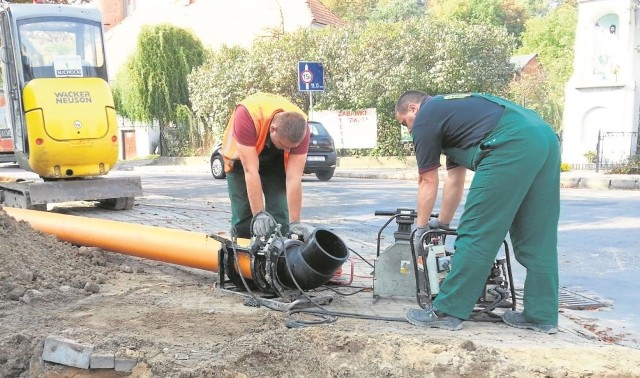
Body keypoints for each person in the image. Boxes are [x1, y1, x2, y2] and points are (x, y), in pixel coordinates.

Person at [395, 91, 560, 334]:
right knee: (537, 235)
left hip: (509, 142)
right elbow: (455, 179)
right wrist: (441, 223)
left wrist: (420, 229)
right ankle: (542, 315)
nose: (408, 130)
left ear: (412, 109)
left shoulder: (426, 117)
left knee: (477, 232)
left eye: (404, 123)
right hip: (544, 138)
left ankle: (447, 310)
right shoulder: (454, 114)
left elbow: (427, 181)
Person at [220, 92, 313, 240]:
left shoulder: (302, 128)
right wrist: (259, 213)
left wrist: (295, 222)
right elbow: (250, 170)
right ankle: (242, 253)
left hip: (274, 159)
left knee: (280, 211)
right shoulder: (247, 114)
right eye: (284, 145)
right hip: (240, 159)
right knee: (243, 213)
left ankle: (278, 254)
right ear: (273, 129)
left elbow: (294, 178)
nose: (288, 151)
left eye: (291, 147)